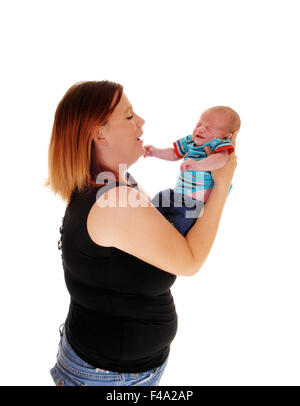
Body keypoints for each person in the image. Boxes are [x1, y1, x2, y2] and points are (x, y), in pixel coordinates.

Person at [45, 80, 238, 386]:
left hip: (112, 367)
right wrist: (221, 184)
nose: (142, 122)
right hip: (109, 377)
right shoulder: (115, 201)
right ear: (99, 134)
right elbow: (189, 261)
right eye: (129, 115)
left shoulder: (107, 181)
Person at [144, 106, 240, 236]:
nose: (200, 129)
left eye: (209, 128)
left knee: (181, 221)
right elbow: (174, 154)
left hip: (195, 202)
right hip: (177, 193)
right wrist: (156, 152)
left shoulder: (219, 144)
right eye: (199, 124)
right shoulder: (190, 140)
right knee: (162, 196)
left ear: (227, 136)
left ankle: (169, 237)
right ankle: (147, 223)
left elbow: (221, 160)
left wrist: (199, 165)